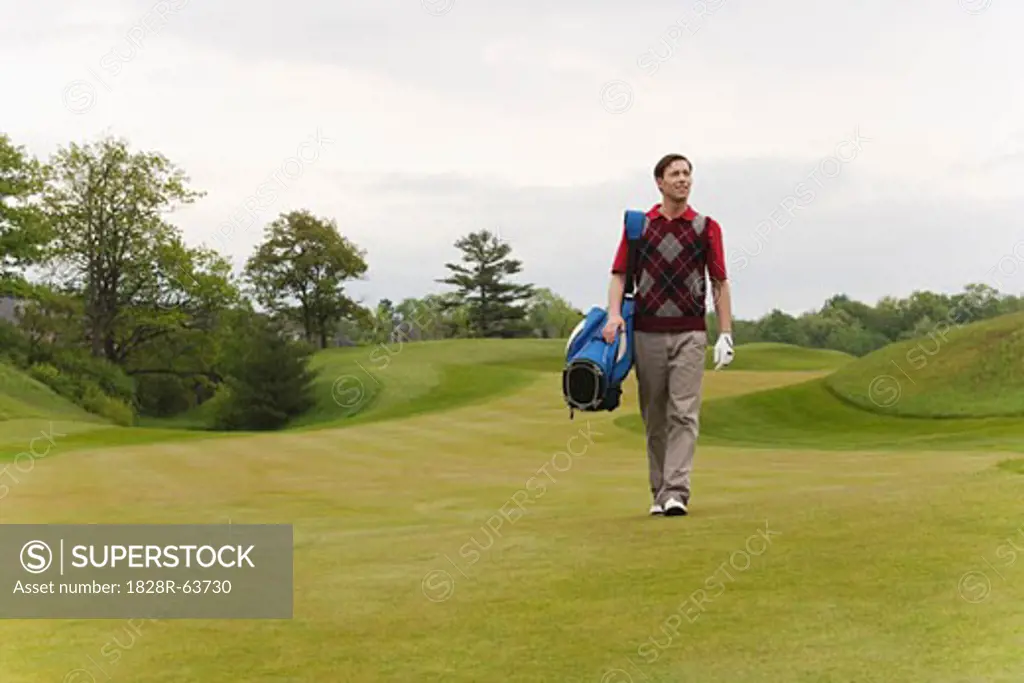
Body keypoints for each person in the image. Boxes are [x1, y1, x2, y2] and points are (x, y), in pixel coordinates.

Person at [602, 153, 734, 517]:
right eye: (675, 174)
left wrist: (725, 333)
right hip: (646, 332)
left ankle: (677, 491)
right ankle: (659, 491)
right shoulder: (639, 226)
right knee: (654, 415)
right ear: (659, 182)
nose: (683, 179)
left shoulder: (707, 227)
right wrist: (613, 316)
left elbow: (719, 282)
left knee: (684, 413)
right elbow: (618, 275)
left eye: (687, 173)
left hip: (690, 333)